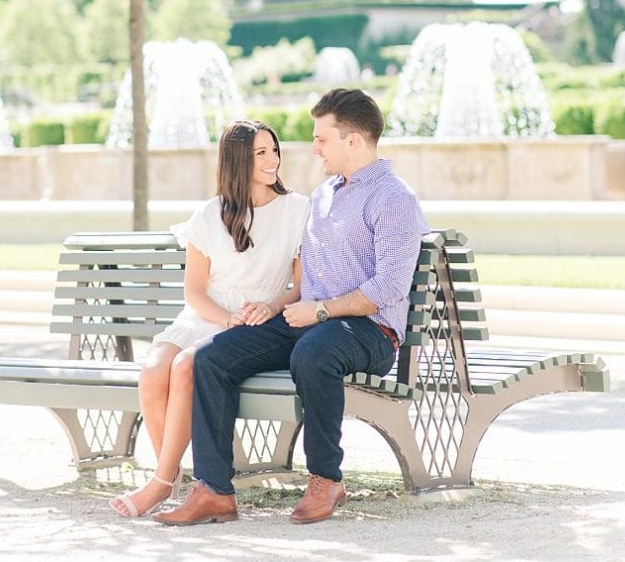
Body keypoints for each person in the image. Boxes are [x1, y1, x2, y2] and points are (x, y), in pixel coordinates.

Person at [154, 87, 427, 526]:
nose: (314, 147)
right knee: (209, 358)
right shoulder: (324, 195)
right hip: (306, 322)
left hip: (369, 331)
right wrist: (285, 306)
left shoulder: (393, 198)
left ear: (352, 141)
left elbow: (390, 287)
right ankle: (214, 490)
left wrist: (320, 311)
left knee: (314, 352)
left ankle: (325, 479)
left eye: (322, 138)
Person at [109, 119, 307, 518]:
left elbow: (300, 287)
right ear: (237, 161)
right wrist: (224, 317)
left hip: (259, 321)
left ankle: (160, 484)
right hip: (208, 314)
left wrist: (268, 308)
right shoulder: (209, 213)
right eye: (261, 153)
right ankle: (173, 477)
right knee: (151, 373)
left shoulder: (297, 210)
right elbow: (194, 291)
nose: (273, 160)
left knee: (185, 369)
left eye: (274, 150)